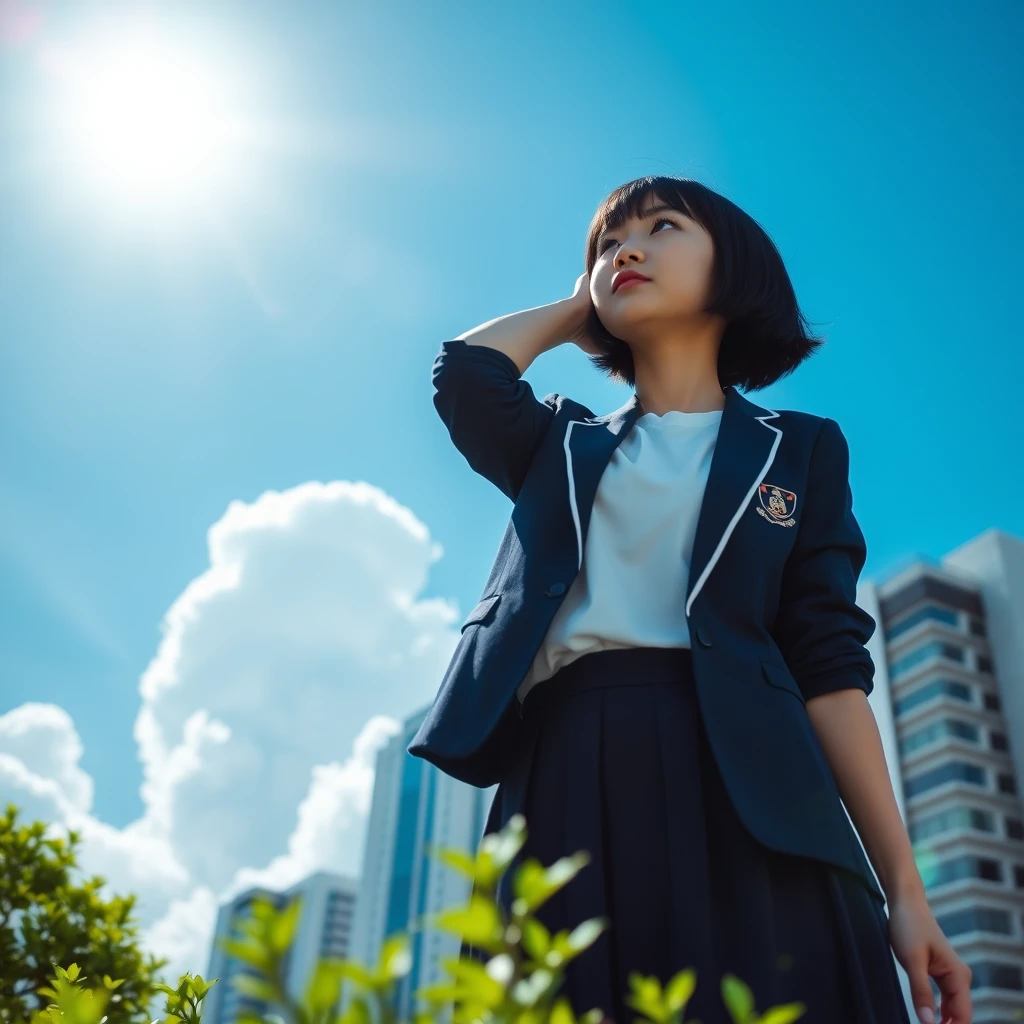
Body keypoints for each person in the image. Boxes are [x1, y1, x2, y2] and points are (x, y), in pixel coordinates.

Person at [407, 176, 973, 1024]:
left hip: (758, 787)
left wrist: (905, 890)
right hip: (568, 769)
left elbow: (829, 667)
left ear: (733, 267)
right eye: (607, 244)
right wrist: (580, 304)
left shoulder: (802, 450)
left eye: (661, 228)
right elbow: (467, 373)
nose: (625, 250)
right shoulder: (558, 443)